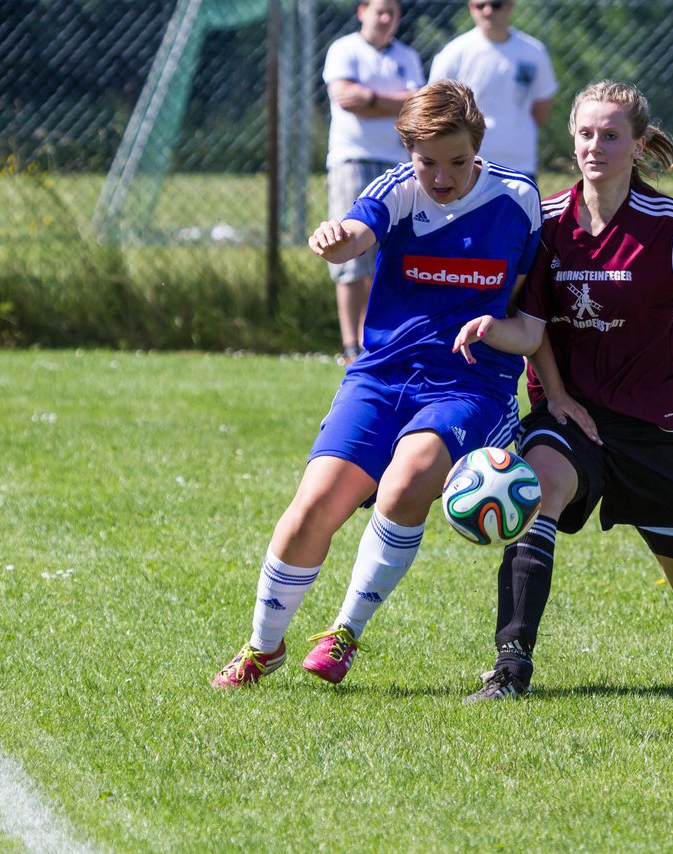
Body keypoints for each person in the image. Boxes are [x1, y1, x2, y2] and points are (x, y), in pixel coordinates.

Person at [453, 80, 673, 703]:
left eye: (612, 135)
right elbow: (532, 330)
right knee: (536, 495)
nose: (596, 146)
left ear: (638, 145)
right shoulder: (547, 222)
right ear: (572, 137)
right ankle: (510, 670)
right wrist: (498, 335)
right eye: (586, 134)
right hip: (572, 419)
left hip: (657, 428)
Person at [211, 81, 545, 689]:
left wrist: (501, 332)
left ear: (479, 147)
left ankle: (343, 633)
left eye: (456, 161)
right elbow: (359, 229)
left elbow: (530, 312)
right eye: (427, 162)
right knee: (313, 507)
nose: (441, 176)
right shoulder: (396, 190)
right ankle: (262, 648)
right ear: (408, 153)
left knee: (410, 477)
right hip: (382, 374)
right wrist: (338, 237)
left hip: (469, 384)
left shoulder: (518, 199)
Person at [322, 0, 425, 364]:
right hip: (352, 159)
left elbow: (417, 104)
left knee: (390, 253)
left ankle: (377, 341)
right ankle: (351, 346)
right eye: (379, 11)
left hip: (399, 162)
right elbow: (345, 98)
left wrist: (370, 97)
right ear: (362, 11)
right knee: (349, 248)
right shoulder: (344, 50)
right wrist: (392, 101)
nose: (386, 19)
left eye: (392, 12)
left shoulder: (407, 56)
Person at [428, 0, 557, 178]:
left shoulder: (534, 52)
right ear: (471, 8)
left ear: (510, 6)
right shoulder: (454, 53)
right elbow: (436, 105)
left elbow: (541, 108)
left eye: (496, 4)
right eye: (480, 5)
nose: (488, 11)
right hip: (471, 162)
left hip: (520, 163)